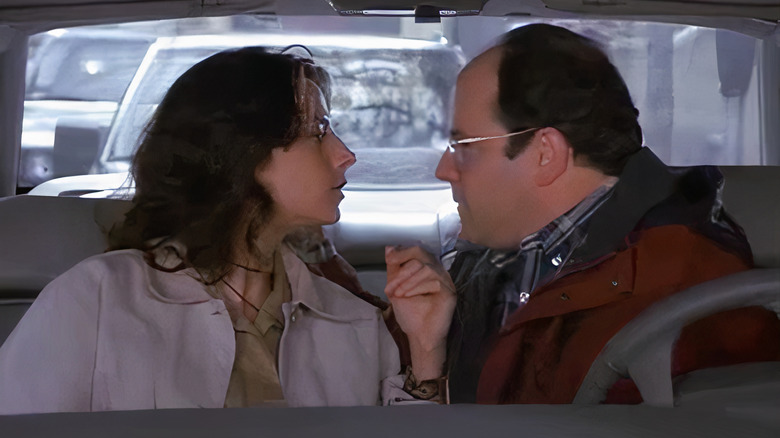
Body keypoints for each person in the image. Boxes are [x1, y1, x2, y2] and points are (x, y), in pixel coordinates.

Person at [385, 24, 780, 404]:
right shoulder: (494, 255)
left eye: (463, 146)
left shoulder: (688, 296)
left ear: (545, 153)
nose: (443, 169)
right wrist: (427, 349)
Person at [0, 47, 404, 413]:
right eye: (318, 131)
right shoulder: (96, 298)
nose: (346, 155)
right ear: (241, 151)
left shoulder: (356, 320)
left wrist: (424, 355)